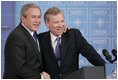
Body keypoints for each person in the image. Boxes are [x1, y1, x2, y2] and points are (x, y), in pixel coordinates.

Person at [38, 7, 106, 79]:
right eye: (56, 22)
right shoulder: (40, 39)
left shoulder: (74, 35)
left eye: (62, 21)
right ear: (47, 23)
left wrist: (109, 70)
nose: (60, 25)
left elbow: (92, 55)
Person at [3, 3, 50, 79]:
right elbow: (19, 68)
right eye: (33, 17)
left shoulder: (33, 33)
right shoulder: (16, 36)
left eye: (39, 17)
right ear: (23, 18)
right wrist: (41, 77)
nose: (37, 20)